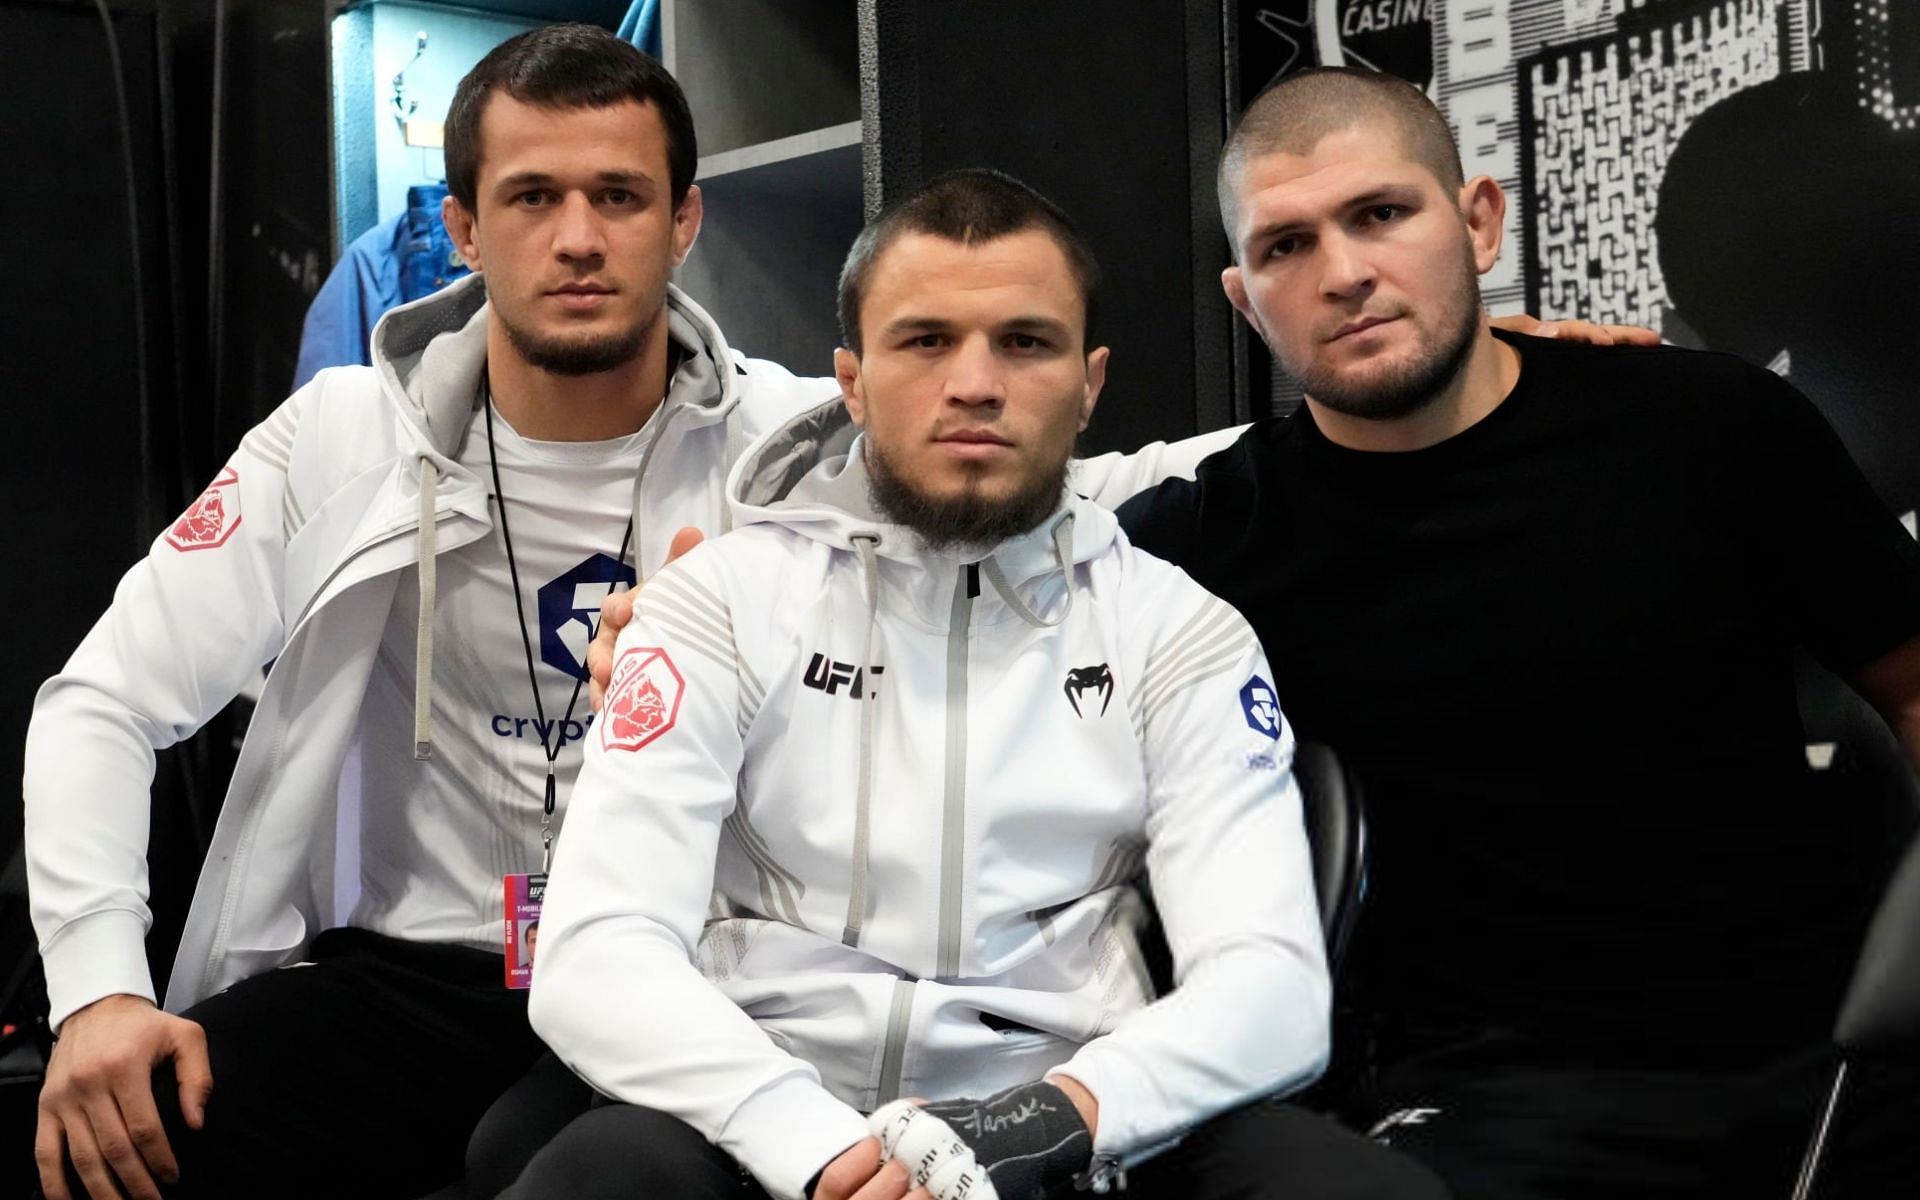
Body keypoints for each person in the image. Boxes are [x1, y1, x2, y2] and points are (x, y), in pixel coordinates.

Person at [18, 25, 1295, 1200]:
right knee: (116, 1135)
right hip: (418, 971)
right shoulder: (345, 439)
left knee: (556, 1156)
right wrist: (97, 996)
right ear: (462, 226)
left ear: (684, 222)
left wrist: (1395, 404)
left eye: (619, 198)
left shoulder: (792, 445)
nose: (578, 239)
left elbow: (1047, 474)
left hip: (686, 974)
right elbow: (101, 704)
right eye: (532, 198)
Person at [506, 167, 1449, 1200]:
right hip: (770, 1133)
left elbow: (1269, 986)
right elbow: (598, 951)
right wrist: (823, 1151)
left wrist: (1043, 1125)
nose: (975, 384)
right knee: (598, 1177)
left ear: (1089, 386)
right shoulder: (718, 603)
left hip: (1073, 1135)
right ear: (853, 382)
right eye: (924, 341)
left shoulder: (1181, 633)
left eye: (1024, 342)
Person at [1112, 67, 1920, 1197]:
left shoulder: (1709, 430)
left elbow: (1911, 681)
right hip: (1464, 1105)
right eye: (1288, 246)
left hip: (1804, 1065)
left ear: (1477, 221)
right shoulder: (1195, 545)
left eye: (1383, 214)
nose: (1346, 272)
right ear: (1246, 300)